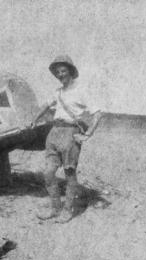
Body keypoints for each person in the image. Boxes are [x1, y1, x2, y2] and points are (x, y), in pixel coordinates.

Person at [32, 55, 102, 223]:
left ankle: (68, 210)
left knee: (70, 174)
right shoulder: (57, 92)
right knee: (48, 173)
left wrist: (87, 134)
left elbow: (98, 113)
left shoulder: (81, 91)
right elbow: (46, 106)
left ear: (70, 71)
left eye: (63, 71)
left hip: (70, 134)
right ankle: (55, 208)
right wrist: (34, 119)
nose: (60, 75)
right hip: (54, 132)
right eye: (57, 72)